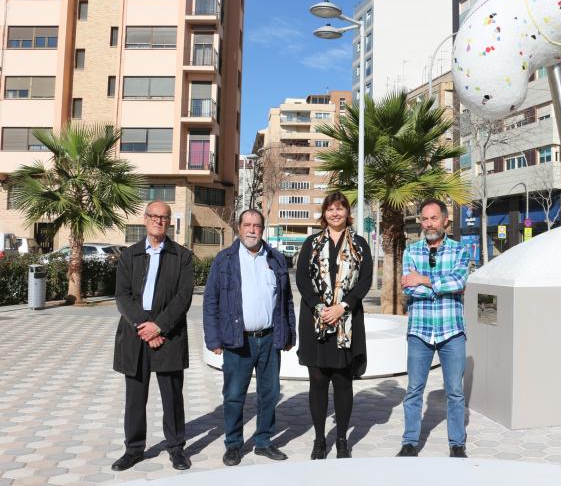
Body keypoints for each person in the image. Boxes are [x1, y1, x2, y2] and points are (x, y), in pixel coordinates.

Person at [203, 209, 296, 466]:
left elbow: (286, 300)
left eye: (256, 225)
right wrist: (213, 339)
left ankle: (263, 441)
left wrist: (290, 333)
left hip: (269, 339)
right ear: (239, 228)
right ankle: (233, 444)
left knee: (270, 393)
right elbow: (211, 301)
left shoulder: (276, 259)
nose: (252, 230)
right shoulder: (225, 260)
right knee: (234, 394)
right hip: (237, 340)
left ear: (262, 229)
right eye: (247, 225)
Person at [112, 201, 195, 472]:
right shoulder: (130, 255)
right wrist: (145, 326)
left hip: (168, 335)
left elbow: (183, 297)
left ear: (169, 222)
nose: (159, 221)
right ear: (145, 219)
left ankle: (176, 449)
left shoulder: (182, 256)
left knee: (172, 396)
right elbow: (122, 296)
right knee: (135, 397)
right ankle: (133, 449)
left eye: (164, 217)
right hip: (136, 334)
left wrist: (158, 327)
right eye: (154, 216)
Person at [296, 191, 373, 459]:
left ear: (347, 213)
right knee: (317, 381)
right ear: (324, 213)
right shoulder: (311, 243)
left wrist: (342, 307)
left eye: (340, 208)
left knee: (343, 380)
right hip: (316, 322)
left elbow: (365, 280)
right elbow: (303, 281)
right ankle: (319, 439)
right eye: (331, 209)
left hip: (347, 322)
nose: (335, 213)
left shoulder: (361, 244)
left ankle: (341, 439)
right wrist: (321, 308)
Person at [396, 198, 470, 458]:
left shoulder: (460, 251)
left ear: (445, 220)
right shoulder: (411, 252)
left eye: (434, 218)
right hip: (420, 331)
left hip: (452, 331)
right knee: (414, 390)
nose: (429, 224)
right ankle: (409, 442)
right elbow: (409, 289)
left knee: (456, 392)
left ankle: (457, 444)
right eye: (425, 219)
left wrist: (423, 280)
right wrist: (435, 286)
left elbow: (459, 282)